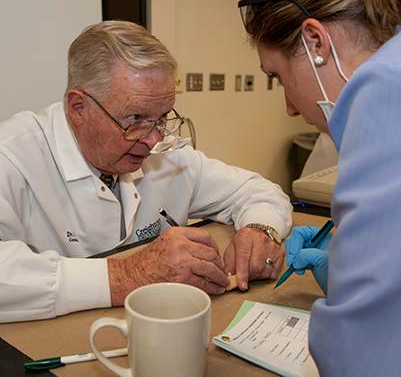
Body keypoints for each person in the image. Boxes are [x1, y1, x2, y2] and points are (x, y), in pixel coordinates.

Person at [238, 0, 401, 375]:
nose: (290, 108)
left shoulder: (394, 85)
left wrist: (357, 302)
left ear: (315, 43)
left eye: (277, 76)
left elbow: (365, 360)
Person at [0, 20, 292, 323]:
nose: (154, 139)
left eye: (162, 117)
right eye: (136, 118)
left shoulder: (166, 155)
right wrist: (126, 275)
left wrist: (261, 230)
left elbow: (256, 190)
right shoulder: (12, 157)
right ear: (78, 108)